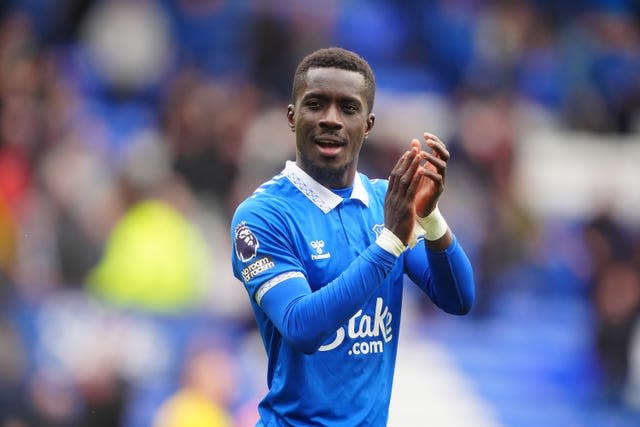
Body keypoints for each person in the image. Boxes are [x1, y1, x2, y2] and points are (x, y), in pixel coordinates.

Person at [230, 47, 475, 426]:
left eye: (348, 108)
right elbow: (301, 326)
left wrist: (429, 216)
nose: (331, 119)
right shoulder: (263, 215)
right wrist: (390, 242)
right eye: (316, 104)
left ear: (368, 124)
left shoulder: (384, 203)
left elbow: (459, 298)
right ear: (292, 117)